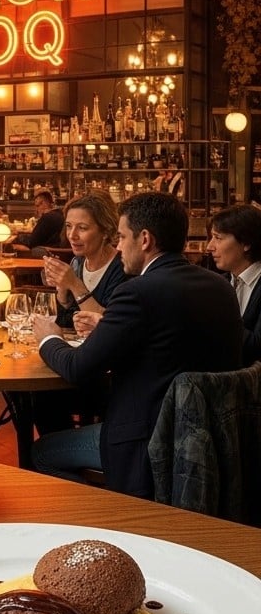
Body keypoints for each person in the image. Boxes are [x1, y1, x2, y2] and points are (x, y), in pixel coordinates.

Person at [31, 192, 242, 498]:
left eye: (121, 236)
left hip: (146, 440)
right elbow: (172, 340)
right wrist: (109, 327)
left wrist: (48, 337)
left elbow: (78, 368)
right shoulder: (220, 285)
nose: (118, 246)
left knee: (42, 452)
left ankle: (108, 518)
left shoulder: (137, 292)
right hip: (214, 440)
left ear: (144, 239)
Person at [40, 191, 128, 330]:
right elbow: (65, 324)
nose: (72, 235)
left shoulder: (124, 268)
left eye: (82, 228)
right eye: (69, 226)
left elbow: (111, 327)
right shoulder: (77, 262)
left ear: (106, 231)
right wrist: (62, 289)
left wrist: (74, 284)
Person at [207, 204, 261, 364]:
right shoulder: (219, 283)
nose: (210, 247)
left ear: (246, 243)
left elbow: (257, 346)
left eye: (218, 238)